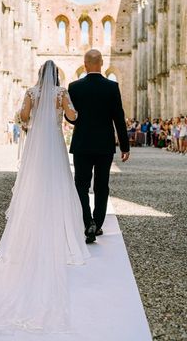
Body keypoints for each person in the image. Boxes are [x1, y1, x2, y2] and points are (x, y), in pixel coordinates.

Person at [0, 60, 89, 333]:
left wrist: (22, 114)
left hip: (36, 146)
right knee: (59, 182)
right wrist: (72, 109)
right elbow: (73, 117)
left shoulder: (31, 93)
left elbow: (24, 118)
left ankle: (32, 228)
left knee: (34, 182)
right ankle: (60, 232)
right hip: (54, 143)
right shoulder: (61, 94)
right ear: (56, 76)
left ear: (39, 75)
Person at [68, 49, 130, 243]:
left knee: (81, 185)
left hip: (82, 144)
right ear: (101, 63)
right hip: (104, 144)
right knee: (102, 185)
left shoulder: (74, 87)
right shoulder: (112, 87)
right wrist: (125, 146)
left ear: (85, 64)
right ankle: (98, 223)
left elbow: (71, 118)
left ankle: (88, 223)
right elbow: (118, 118)